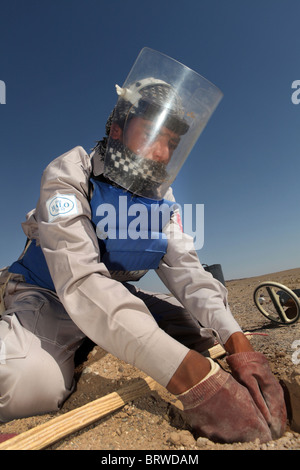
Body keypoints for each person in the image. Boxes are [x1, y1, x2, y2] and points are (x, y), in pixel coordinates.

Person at [0, 48, 286, 443]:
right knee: (29, 384)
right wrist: (191, 377)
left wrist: (238, 343)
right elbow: (80, 282)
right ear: (117, 128)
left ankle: (92, 342)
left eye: (171, 142)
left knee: (201, 329)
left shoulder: (162, 202)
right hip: (51, 294)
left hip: (115, 292)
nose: (162, 153)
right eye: (153, 135)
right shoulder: (70, 174)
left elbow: (189, 275)